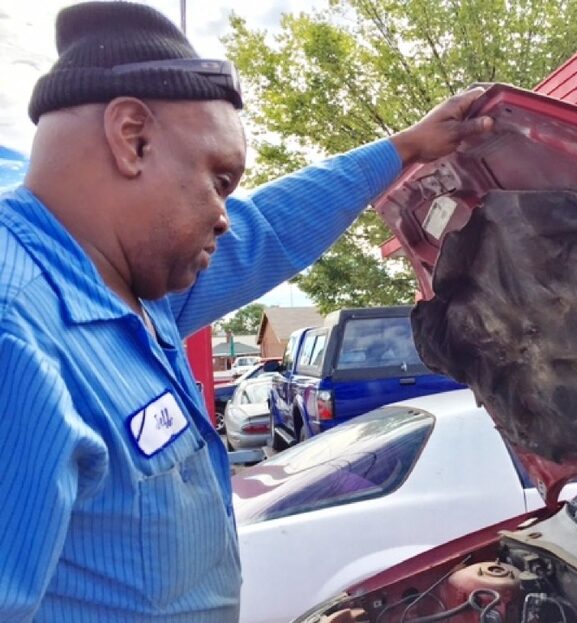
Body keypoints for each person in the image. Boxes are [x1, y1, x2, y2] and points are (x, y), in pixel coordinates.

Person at [0, 2, 492, 621]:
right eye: (219, 180)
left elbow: (266, 233)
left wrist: (406, 148)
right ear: (132, 138)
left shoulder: (135, 294)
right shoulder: (17, 330)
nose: (224, 216)